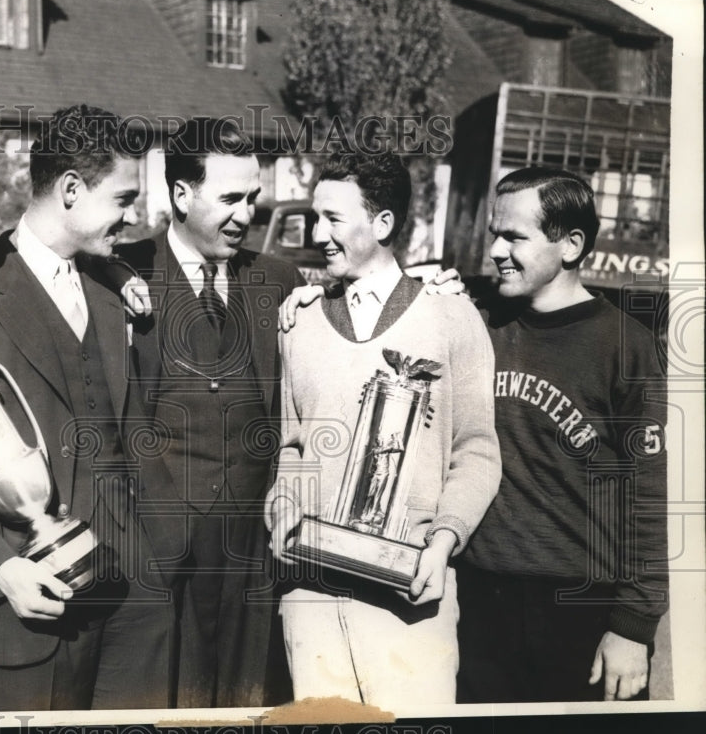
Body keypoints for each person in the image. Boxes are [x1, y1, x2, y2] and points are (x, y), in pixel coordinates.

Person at [0, 104, 180, 711]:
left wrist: (160, 566)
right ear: (72, 189)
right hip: (28, 608)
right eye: (124, 199)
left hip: (134, 611)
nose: (134, 217)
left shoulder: (112, 287)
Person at [266, 150, 501, 708]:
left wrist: (442, 543)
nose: (318, 234)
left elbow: (476, 451)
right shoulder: (299, 321)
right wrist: (283, 509)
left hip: (410, 597)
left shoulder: (452, 316)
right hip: (312, 598)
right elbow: (292, 446)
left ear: (384, 223)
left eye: (334, 219)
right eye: (316, 217)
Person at [455, 167, 669, 703]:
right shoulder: (480, 323)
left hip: (581, 609)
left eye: (515, 237)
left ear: (571, 244)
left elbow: (651, 495)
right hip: (480, 601)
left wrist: (634, 624)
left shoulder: (625, 346)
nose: (497, 251)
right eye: (494, 235)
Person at [116, 118, 304, 707]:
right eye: (229, 199)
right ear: (179, 194)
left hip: (254, 552)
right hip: (161, 552)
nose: (246, 216)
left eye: (253, 198)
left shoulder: (279, 279)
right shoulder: (120, 271)